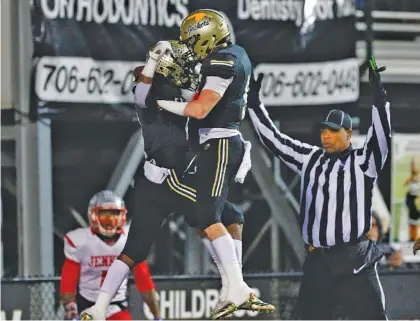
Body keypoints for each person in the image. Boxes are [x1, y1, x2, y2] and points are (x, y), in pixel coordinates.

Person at [81, 40, 246, 320]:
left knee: (134, 250)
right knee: (218, 214)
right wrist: (152, 63)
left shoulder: (179, 92)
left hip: (155, 182)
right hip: (166, 177)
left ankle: (98, 307)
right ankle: (234, 284)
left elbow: (201, 99)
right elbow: (143, 90)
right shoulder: (150, 95)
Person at [246, 57, 390, 320]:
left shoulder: (364, 161)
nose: (326, 136)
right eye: (324, 130)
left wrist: (379, 98)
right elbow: (275, 142)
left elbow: (381, 136)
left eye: (333, 131)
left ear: (348, 133)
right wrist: (254, 105)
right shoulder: (310, 157)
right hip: (317, 262)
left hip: (353, 260)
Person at [156, 9, 275, 320]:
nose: (190, 46)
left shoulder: (222, 60)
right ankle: (231, 288)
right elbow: (205, 97)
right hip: (215, 142)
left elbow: (200, 109)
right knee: (216, 215)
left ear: (208, 36)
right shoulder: (231, 56)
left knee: (206, 214)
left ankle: (237, 288)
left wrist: (162, 100)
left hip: (219, 142)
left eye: (193, 40)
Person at [60, 190, 160, 320]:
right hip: (87, 306)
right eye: (104, 215)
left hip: (117, 306)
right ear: (93, 216)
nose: (110, 220)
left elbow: (144, 281)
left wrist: (157, 316)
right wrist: (71, 310)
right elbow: (68, 280)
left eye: (114, 214)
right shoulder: (81, 241)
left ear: (122, 215)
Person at [404, 158, 420, 241]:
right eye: (412, 165)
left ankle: (415, 236)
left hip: (416, 199)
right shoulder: (410, 178)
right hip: (411, 199)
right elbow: (404, 185)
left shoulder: (417, 177)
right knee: (411, 217)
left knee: (416, 218)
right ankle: (411, 236)